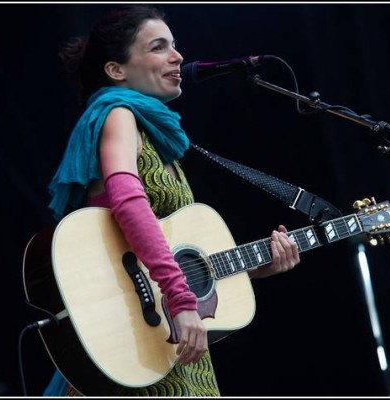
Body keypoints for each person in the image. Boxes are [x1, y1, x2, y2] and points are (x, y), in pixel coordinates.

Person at [43, 4, 300, 397]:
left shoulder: (159, 140)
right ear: (117, 70)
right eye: (159, 47)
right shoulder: (118, 114)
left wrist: (256, 266)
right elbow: (128, 204)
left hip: (166, 336)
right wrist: (180, 299)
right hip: (152, 327)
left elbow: (176, 253)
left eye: (174, 45)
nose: (178, 56)